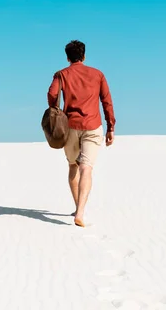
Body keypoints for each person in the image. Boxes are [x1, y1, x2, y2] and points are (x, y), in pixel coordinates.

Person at [47, 40, 116, 227]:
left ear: (67, 57)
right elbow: (107, 101)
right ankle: (81, 212)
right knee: (87, 167)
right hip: (93, 126)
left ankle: (78, 207)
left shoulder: (61, 74)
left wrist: (56, 109)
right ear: (84, 56)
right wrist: (111, 127)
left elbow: (52, 94)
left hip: (70, 127)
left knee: (73, 166)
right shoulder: (98, 74)